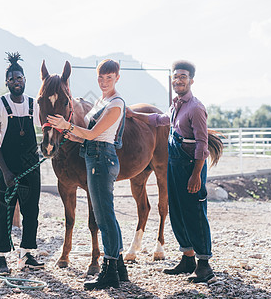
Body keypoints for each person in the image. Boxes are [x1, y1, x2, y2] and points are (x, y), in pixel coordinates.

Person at [126, 60, 214, 283]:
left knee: (194, 212)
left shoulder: (195, 107)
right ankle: (187, 258)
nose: (178, 80)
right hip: (174, 162)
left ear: (191, 80)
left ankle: (204, 265)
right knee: (177, 211)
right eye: (175, 77)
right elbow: (159, 119)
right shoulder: (176, 105)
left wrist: (196, 174)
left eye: (183, 77)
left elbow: (202, 145)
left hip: (189, 165)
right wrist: (134, 115)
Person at [48, 59, 128, 290]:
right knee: (107, 215)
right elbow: (88, 136)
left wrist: (67, 125)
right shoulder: (101, 100)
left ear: (117, 78)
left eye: (109, 78)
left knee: (104, 218)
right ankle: (119, 268)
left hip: (102, 159)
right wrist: (70, 135)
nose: (104, 82)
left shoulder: (115, 104)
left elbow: (94, 134)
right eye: (100, 78)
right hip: (94, 156)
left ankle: (109, 270)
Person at [0, 52, 44, 276]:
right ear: (6, 82)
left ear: (24, 80)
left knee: (32, 211)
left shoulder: (34, 105)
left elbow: (47, 128)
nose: (15, 82)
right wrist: (5, 171)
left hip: (32, 167)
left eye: (19, 78)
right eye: (11, 79)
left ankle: (27, 254)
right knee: (4, 211)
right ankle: (1, 258)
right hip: (8, 166)